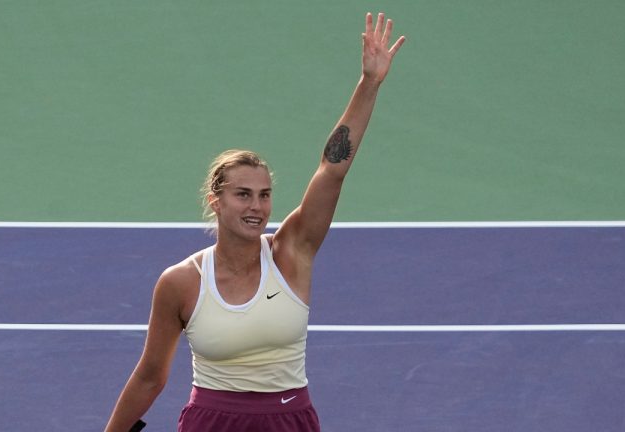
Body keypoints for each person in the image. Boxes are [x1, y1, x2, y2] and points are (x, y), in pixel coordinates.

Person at [105, 12, 406, 432]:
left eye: (264, 195)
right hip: (211, 421)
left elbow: (332, 168)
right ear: (216, 201)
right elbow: (151, 376)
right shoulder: (180, 282)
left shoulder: (292, 252)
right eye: (242, 194)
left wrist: (369, 84)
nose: (257, 206)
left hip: (289, 418)